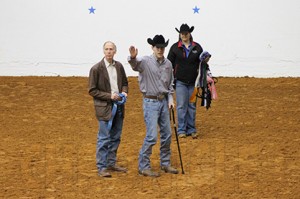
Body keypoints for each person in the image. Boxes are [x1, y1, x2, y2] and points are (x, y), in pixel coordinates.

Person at [128, 35, 179, 177]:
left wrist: (170, 99)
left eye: (162, 47)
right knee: (151, 136)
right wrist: (132, 57)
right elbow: (135, 65)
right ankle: (143, 166)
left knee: (167, 134)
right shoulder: (145, 61)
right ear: (153, 47)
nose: (160, 50)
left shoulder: (168, 64)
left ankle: (165, 163)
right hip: (150, 102)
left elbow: (170, 84)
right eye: (158, 47)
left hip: (163, 101)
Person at [88, 41, 129, 178]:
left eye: (111, 49)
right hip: (104, 108)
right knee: (104, 138)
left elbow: (124, 83)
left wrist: (124, 92)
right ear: (103, 51)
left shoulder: (119, 66)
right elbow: (92, 90)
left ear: (115, 51)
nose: (109, 51)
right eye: (106, 49)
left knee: (116, 137)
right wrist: (109, 96)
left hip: (119, 107)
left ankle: (111, 163)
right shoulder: (96, 69)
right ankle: (101, 167)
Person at [167, 23, 203, 139]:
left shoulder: (197, 48)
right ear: (180, 34)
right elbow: (168, 64)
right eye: (182, 34)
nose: (184, 35)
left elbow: (202, 64)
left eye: (186, 33)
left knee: (192, 105)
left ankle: (191, 128)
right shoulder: (174, 48)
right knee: (182, 105)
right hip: (180, 82)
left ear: (189, 34)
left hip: (194, 83)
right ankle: (182, 129)